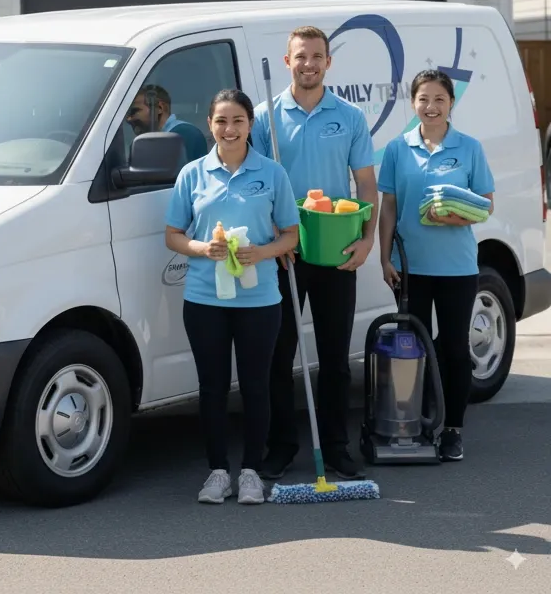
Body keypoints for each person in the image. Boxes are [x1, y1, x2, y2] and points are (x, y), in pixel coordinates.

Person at [250, 25, 379, 481]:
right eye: (300, 56)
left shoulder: (349, 116)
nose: (309, 63)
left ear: (329, 62)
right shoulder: (264, 118)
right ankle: (281, 446)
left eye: (317, 56)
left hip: (335, 250)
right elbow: (257, 184)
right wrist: (273, 242)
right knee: (278, 355)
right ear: (288, 62)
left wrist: (366, 241)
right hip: (285, 253)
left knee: (335, 356)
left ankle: (337, 446)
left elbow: (366, 184)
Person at [165, 89, 300, 505]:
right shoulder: (192, 174)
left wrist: (262, 251)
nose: (229, 129)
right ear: (210, 124)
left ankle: (251, 473)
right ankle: (218, 471)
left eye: (238, 121)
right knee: (212, 387)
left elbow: (291, 235)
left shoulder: (272, 173)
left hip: (259, 300)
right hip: (205, 299)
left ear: (250, 125)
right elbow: (173, 235)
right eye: (221, 121)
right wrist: (202, 249)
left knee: (257, 386)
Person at [377, 69, 494, 462]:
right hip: (410, 266)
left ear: (451, 103)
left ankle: (453, 429)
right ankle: (418, 423)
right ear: (413, 103)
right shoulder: (397, 149)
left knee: (455, 351)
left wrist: (459, 216)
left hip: (457, 267)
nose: (431, 107)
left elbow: (486, 203)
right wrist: (383, 256)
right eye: (423, 99)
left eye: (439, 99)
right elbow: (388, 206)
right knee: (413, 350)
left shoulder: (469, 147)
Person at [126, 85, 208, 164]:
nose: (128, 119)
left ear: (159, 108)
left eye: (134, 111)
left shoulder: (184, 134)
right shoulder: (155, 140)